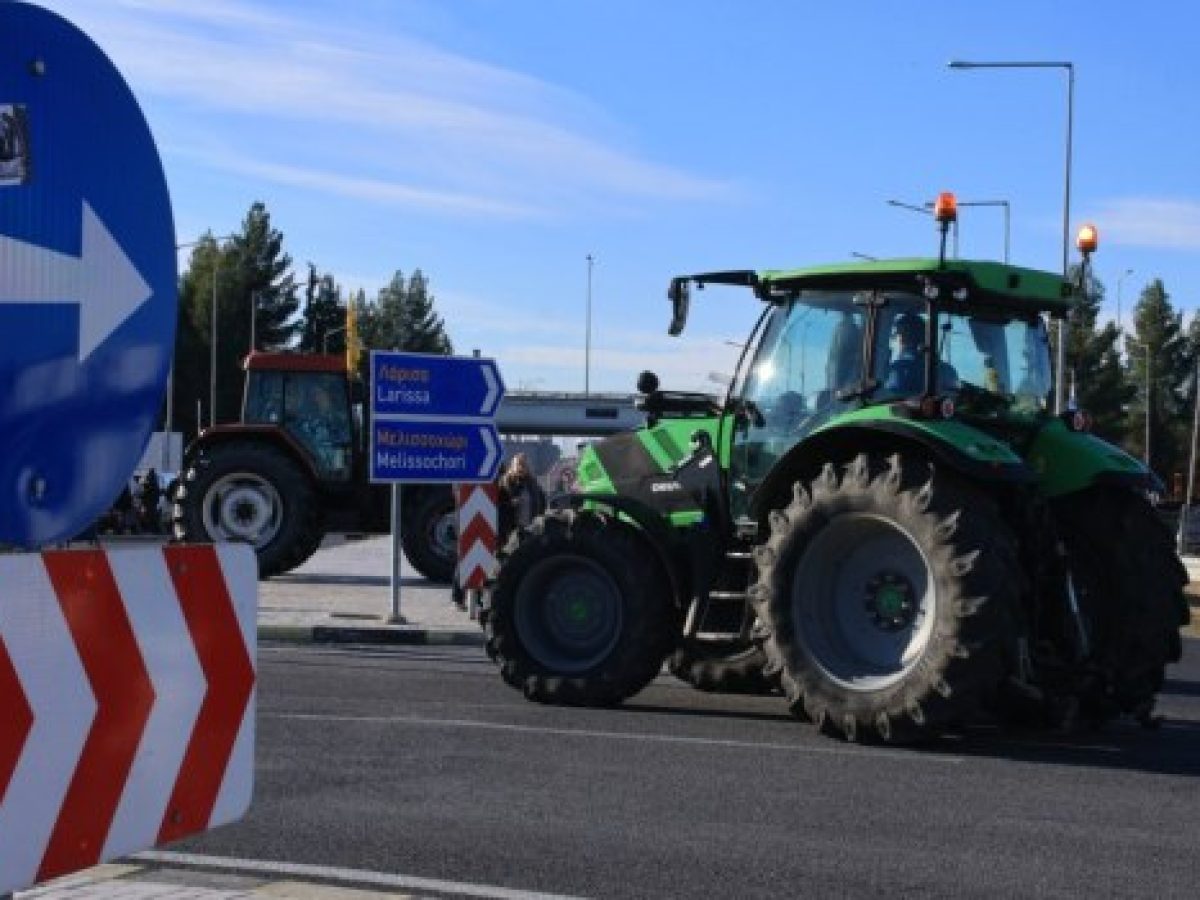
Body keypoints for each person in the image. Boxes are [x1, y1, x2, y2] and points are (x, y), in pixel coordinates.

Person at [885, 313, 959, 395]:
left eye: (898, 334)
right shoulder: (947, 369)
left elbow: (890, 396)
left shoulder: (900, 369)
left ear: (903, 338)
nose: (896, 339)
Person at [498, 452, 546, 543]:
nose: (521, 468)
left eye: (524, 465)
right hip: (511, 531)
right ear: (512, 466)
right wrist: (510, 504)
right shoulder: (505, 483)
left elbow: (542, 501)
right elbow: (497, 505)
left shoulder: (533, 483)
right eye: (518, 464)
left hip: (530, 530)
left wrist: (539, 518)